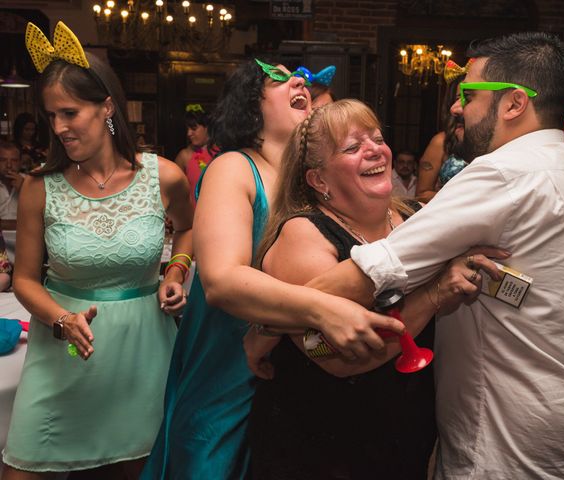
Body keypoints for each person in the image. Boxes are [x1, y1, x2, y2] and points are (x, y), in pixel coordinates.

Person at [307, 32, 564, 479]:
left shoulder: (506, 172)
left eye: (469, 94)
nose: (457, 107)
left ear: (514, 103)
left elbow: (375, 269)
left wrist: (268, 318)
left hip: (507, 442)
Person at [142, 60, 404, 480]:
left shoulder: (314, 179)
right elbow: (223, 281)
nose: (299, 81)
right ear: (251, 105)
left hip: (297, 365)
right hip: (230, 359)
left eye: (299, 79)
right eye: (277, 79)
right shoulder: (234, 167)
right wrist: (323, 309)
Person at [246, 99, 506, 480]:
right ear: (318, 180)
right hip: (320, 435)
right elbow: (332, 355)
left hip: (404, 425)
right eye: (352, 147)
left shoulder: (417, 217)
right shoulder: (302, 235)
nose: (375, 150)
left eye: (377, 138)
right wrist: (434, 294)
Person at [1, 21, 193, 479]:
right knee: (22, 467)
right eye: (51, 116)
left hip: (143, 351)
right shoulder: (39, 188)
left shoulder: (163, 176)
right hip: (63, 351)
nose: (59, 127)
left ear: (107, 106)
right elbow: (25, 279)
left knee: (133, 469)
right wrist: (62, 320)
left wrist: (174, 273)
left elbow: (189, 230)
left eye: (69, 113)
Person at [416, 69, 468, 202]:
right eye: (458, 98)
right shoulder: (441, 142)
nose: (461, 104)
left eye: (469, 98)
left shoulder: (496, 141)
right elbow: (422, 194)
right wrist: (461, 200)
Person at [174, 104, 218, 204]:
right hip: (192, 216)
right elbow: (174, 191)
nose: (189, 133)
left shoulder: (221, 153)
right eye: (187, 129)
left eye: (193, 128)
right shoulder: (184, 156)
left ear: (206, 127)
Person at [0, 141, 23, 221]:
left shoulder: (30, 182)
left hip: (24, 231)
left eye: (14, 160)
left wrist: (24, 189)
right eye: (3, 160)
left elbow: (42, 215)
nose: (9, 165)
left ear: (20, 163)